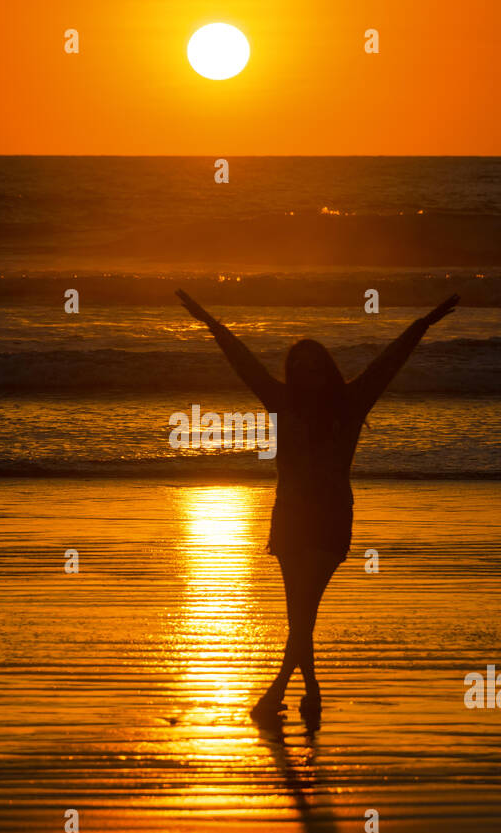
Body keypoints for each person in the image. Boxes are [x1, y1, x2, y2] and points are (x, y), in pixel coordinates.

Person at [174, 289, 461, 721]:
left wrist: (423, 324)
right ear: (292, 374)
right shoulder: (280, 402)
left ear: (327, 370)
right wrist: (211, 324)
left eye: (314, 368)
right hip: (289, 519)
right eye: (299, 369)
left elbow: (389, 361)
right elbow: (244, 362)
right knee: (300, 616)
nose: (308, 376)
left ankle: (277, 695)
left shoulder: (352, 401)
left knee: (302, 614)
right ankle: (309, 694)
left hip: (328, 521)